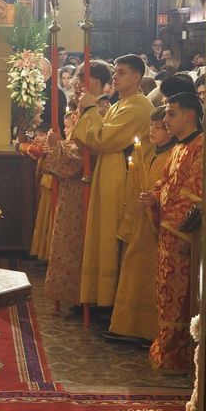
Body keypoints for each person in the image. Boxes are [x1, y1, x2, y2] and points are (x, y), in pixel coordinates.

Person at [71, 54, 154, 309]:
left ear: (137, 77)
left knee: (111, 237)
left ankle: (111, 301)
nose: (115, 77)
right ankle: (101, 297)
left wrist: (90, 109)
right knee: (102, 233)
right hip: (110, 176)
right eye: (115, 72)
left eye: (121, 72)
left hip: (123, 182)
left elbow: (103, 138)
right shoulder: (122, 104)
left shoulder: (138, 107)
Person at [139, 92, 205, 372]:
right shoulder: (178, 148)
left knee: (182, 296)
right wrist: (153, 198)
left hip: (186, 237)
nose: (165, 119)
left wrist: (164, 205)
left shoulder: (202, 146)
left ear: (189, 115)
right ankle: (166, 349)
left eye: (171, 114)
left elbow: (195, 192)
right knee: (166, 294)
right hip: (168, 235)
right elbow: (164, 183)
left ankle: (180, 355)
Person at [107, 105, 177, 344]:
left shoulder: (170, 156)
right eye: (151, 126)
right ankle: (127, 326)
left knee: (147, 275)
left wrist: (154, 201)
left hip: (155, 227)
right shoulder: (151, 154)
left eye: (159, 127)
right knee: (132, 269)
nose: (152, 131)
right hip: (141, 222)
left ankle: (147, 330)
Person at [43, 111, 85, 312]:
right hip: (69, 195)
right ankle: (68, 294)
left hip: (80, 196)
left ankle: (81, 296)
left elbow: (77, 162)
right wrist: (56, 146)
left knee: (75, 243)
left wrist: (58, 144)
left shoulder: (92, 120)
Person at [17, 124, 53, 260]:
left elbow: (29, 149)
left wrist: (20, 146)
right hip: (42, 186)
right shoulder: (41, 148)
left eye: (42, 135)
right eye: (37, 135)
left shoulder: (49, 148)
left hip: (50, 187)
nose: (37, 138)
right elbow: (26, 148)